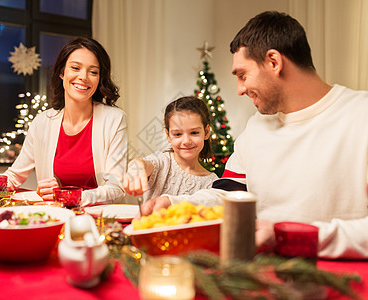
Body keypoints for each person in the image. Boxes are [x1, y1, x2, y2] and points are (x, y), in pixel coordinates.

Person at [141, 11, 368, 259]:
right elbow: (228, 194)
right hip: (258, 275)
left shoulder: (360, 115)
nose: (240, 90)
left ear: (274, 62)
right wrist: (175, 204)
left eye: (242, 75)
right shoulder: (256, 127)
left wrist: (288, 236)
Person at [3, 37, 127, 205]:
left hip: (101, 221)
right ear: (62, 72)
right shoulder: (42, 122)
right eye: (75, 68)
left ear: (99, 79)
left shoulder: (114, 119)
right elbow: (14, 176)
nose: (83, 77)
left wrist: (73, 197)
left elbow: (117, 188)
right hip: (54, 217)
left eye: (93, 72)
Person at [123, 96, 218, 203]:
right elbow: (144, 164)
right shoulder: (162, 162)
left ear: (206, 132)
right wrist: (136, 165)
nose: (186, 141)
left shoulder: (212, 183)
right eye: (178, 134)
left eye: (194, 133)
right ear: (168, 135)